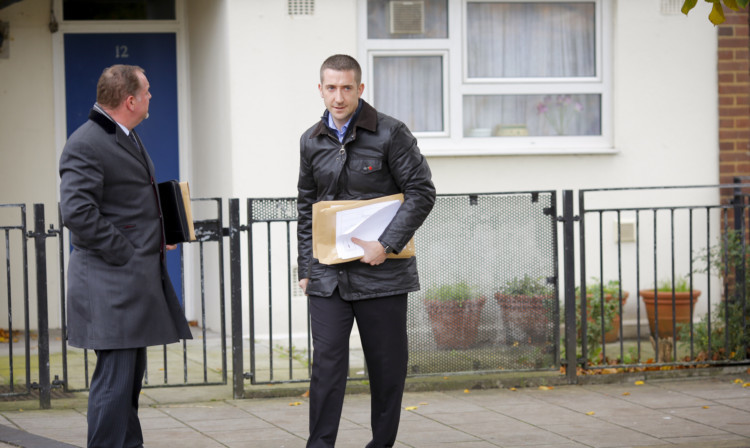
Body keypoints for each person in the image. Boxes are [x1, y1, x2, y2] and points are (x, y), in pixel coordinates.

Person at [297, 54, 436, 448]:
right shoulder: (311, 140)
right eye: (330, 88)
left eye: (346, 88)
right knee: (326, 367)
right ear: (320, 89)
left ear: (360, 89)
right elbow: (306, 206)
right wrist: (305, 267)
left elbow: (422, 192)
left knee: (386, 370)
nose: (338, 97)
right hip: (327, 276)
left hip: (382, 274)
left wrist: (387, 244)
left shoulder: (391, 133)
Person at [59, 64, 193, 448]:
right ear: (130, 100)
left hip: (128, 284)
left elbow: (128, 203)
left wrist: (163, 231)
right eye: (147, 91)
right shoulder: (86, 143)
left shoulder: (124, 135)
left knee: (127, 387)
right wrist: (128, 251)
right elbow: (77, 212)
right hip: (109, 285)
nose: (152, 97)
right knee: (114, 387)